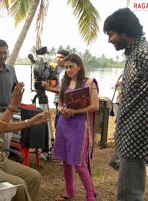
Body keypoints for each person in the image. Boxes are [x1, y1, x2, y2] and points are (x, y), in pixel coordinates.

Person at [103, 8, 148, 201]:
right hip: (128, 134)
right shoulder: (134, 54)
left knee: (129, 195)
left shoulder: (147, 53)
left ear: (125, 31)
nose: (109, 39)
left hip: (137, 136)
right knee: (127, 191)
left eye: (111, 34)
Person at [53, 53, 99, 201]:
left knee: (79, 163)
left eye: (71, 67)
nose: (68, 70)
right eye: (66, 67)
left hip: (80, 125)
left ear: (79, 66)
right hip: (64, 124)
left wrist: (75, 111)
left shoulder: (89, 82)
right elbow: (60, 104)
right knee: (65, 161)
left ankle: (90, 195)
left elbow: (95, 106)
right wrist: (62, 110)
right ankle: (69, 191)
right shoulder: (65, 82)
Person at [42, 49, 70, 136]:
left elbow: (65, 90)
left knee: (60, 125)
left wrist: (47, 88)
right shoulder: (56, 69)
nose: (58, 59)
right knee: (57, 124)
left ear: (67, 58)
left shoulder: (68, 71)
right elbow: (54, 84)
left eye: (61, 57)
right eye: (57, 57)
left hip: (65, 101)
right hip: (58, 100)